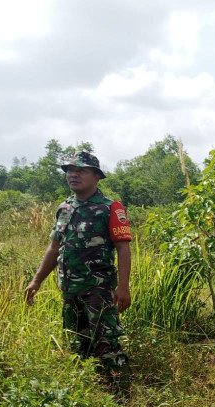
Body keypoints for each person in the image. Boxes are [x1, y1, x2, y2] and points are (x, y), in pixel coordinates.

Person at [24, 150, 132, 389]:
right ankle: (88, 390)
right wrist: (37, 280)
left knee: (106, 341)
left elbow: (123, 249)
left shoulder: (110, 208)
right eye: (70, 170)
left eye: (81, 170)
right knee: (77, 341)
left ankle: (117, 392)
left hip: (98, 289)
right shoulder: (64, 208)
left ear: (96, 176)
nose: (73, 174)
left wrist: (123, 287)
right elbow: (54, 248)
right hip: (69, 288)